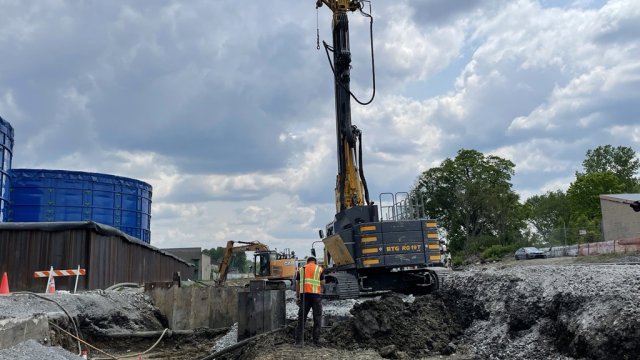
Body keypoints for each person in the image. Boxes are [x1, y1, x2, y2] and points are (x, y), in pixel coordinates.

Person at [295, 256, 325, 346]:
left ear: (307, 262)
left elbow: (297, 284)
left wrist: (297, 296)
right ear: (315, 262)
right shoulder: (319, 269)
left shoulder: (301, 269)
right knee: (317, 318)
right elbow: (323, 283)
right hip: (316, 296)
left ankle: (299, 342)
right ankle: (316, 341)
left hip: (304, 296)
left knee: (301, 318)